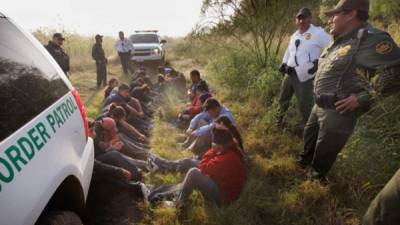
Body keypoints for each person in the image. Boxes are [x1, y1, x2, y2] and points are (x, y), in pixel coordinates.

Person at [299, 0, 400, 182]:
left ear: (351, 14)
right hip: (319, 104)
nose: (330, 20)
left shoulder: (371, 39)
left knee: (325, 150)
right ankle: (304, 164)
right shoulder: (338, 40)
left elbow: (395, 71)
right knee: (309, 138)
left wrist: (363, 97)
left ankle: (315, 180)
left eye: (334, 15)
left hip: (338, 111)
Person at [149, 127, 245, 207]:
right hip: (220, 181)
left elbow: (203, 167)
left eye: (214, 143)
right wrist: (214, 151)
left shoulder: (227, 158)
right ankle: (164, 165)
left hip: (224, 196)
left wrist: (212, 150)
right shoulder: (229, 149)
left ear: (220, 146)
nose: (212, 144)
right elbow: (209, 164)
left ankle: (178, 202)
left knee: (194, 173)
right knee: (188, 162)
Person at [277, 7, 331, 126]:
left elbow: (332, 47)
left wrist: (320, 62)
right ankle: (278, 121)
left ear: (310, 18)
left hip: (305, 76)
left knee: (305, 104)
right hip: (289, 73)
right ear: (296, 20)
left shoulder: (317, 33)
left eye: (305, 18)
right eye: (299, 18)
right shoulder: (295, 35)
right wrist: (284, 63)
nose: (302, 21)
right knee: (283, 99)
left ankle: (309, 128)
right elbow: (289, 51)